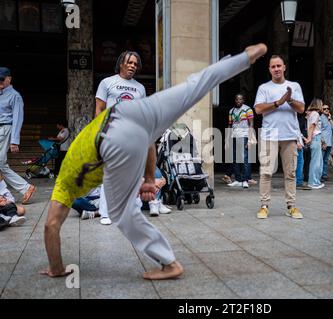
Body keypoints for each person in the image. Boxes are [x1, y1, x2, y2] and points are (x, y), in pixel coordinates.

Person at [40, 43, 268, 280]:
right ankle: (245, 57)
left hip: (110, 137)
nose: (132, 66)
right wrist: (149, 179)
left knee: (121, 214)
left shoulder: (64, 183)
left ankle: (170, 264)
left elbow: (50, 226)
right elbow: (147, 139)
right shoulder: (93, 124)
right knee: (194, 86)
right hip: (135, 112)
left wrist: (56, 269)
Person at [95, 51, 147, 226]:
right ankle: (105, 212)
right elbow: (99, 110)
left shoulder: (140, 88)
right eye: (129, 62)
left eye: (135, 64)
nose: (133, 66)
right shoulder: (107, 83)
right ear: (121, 64)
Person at [254, 55, 305, 219]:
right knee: (266, 172)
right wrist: (278, 102)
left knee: (290, 173)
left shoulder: (294, 86)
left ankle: (291, 206)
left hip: (289, 135)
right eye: (273, 66)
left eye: (279, 66)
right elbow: (258, 109)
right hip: (269, 135)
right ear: (269, 69)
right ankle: (264, 206)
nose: (276, 69)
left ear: (284, 67)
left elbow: (302, 108)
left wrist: (289, 100)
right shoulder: (264, 88)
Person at [0, 67, 36, 204]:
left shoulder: (15, 96)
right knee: (1, 164)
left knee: (0, 163)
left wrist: (14, 141)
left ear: (9, 78)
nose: (0, 82)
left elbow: (18, 118)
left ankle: (24, 188)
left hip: (6, 129)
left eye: (2, 79)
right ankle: (24, 188)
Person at [225, 94, 255, 188]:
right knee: (235, 159)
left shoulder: (248, 109)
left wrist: (250, 139)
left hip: (244, 135)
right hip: (234, 136)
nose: (238, 101)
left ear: (243, 100)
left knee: (244, 159)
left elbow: (251, 124)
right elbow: (230, 126)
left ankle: (245, 180)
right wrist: (227, 140)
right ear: (235, 100)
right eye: (237, 99)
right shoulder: (231, 111)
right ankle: (238, 180)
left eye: (240, 99)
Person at [305, 98, 325, 189]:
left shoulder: (311, 114)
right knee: (316, 162)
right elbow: (312, 126)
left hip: (316, 138)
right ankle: (313, 182)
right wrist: (309, 138)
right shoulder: (315, 114)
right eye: (321, 104)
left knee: (317, 161)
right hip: (315, 138)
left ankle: (315, 181)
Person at [320, 104, 333, 181]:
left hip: (329, 143)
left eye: (328, 108)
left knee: (325, 160)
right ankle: (320, 176)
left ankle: (324, 175)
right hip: (323, 143)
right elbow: (318, 131)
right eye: (324, 109)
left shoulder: (328, 119)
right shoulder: (320, 118)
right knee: (321, 159)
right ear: (322, 110)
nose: (326, 109)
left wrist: (330, 119)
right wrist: (323, 142)